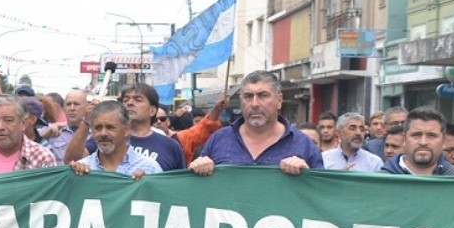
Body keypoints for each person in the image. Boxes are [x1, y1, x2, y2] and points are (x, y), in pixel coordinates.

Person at [188, 70, 323, 176]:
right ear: (241, 101)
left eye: (263, 96)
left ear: (279, 100)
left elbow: (322, 194)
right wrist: (197, 168)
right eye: (248, 96)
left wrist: (308, 175)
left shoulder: (304, 145)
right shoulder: (219, 139)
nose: (255, 104)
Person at [68, 100, 161, 179]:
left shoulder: (149, 169)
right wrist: (75, 178)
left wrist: (147, 187)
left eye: (110, 127)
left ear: (127, 129)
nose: (103, 133)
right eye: (98, 128)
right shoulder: (81, 169)